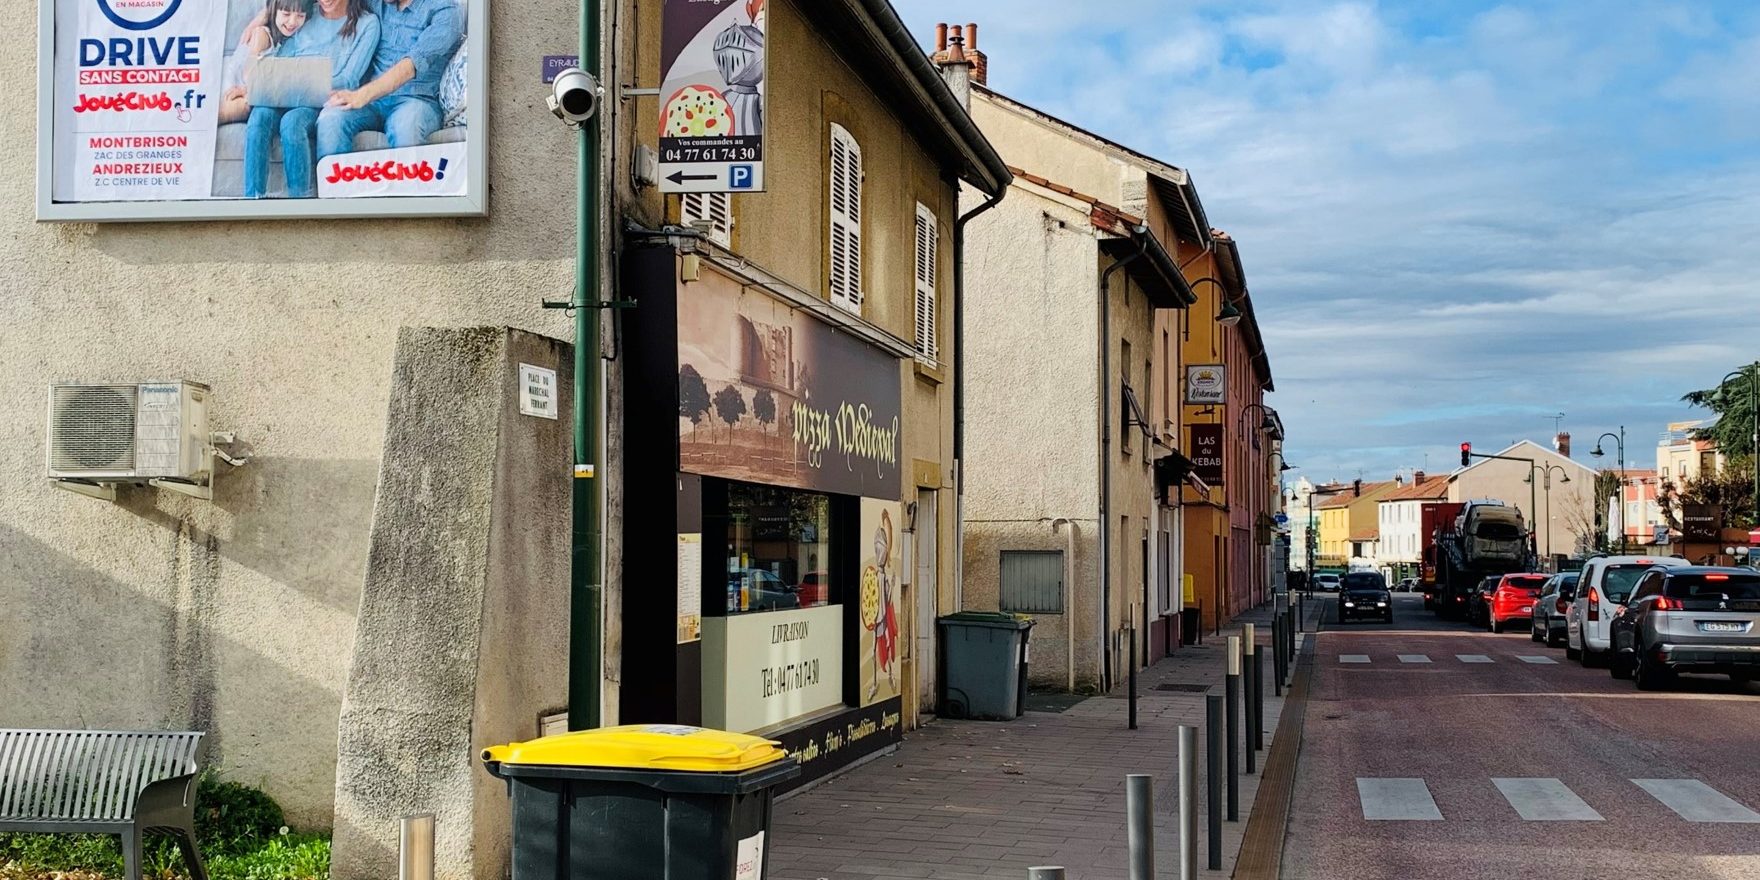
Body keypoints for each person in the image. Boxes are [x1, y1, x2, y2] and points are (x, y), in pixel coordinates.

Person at [242, 0, 380, 198]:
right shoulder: (305, 14)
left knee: (292, 122)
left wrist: (303, 82)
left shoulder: (367, 24)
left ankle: (300, 206)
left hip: (322, 99)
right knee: (259, 116)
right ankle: (252, 200)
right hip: (285, 92)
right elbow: (282, 59)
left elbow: (350, 79)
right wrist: (258, 84)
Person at [316, 0, 462, 160]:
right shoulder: (377, 4)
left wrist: (361, 95)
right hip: (372, 103)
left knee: (406, 126)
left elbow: (411, 65)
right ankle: (335, 186)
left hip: (416, 101)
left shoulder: (446, 11)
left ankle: (410, 185)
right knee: (330, 118)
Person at [219, 0, 309, 125]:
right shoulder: (262, 34)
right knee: (246, 105)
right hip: (233, 82)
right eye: (286, 14)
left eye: (300, 16)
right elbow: (249, 73)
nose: (292, 22)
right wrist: (247, 90)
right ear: (273, 12)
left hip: (251, 88)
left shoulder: (287, 41)